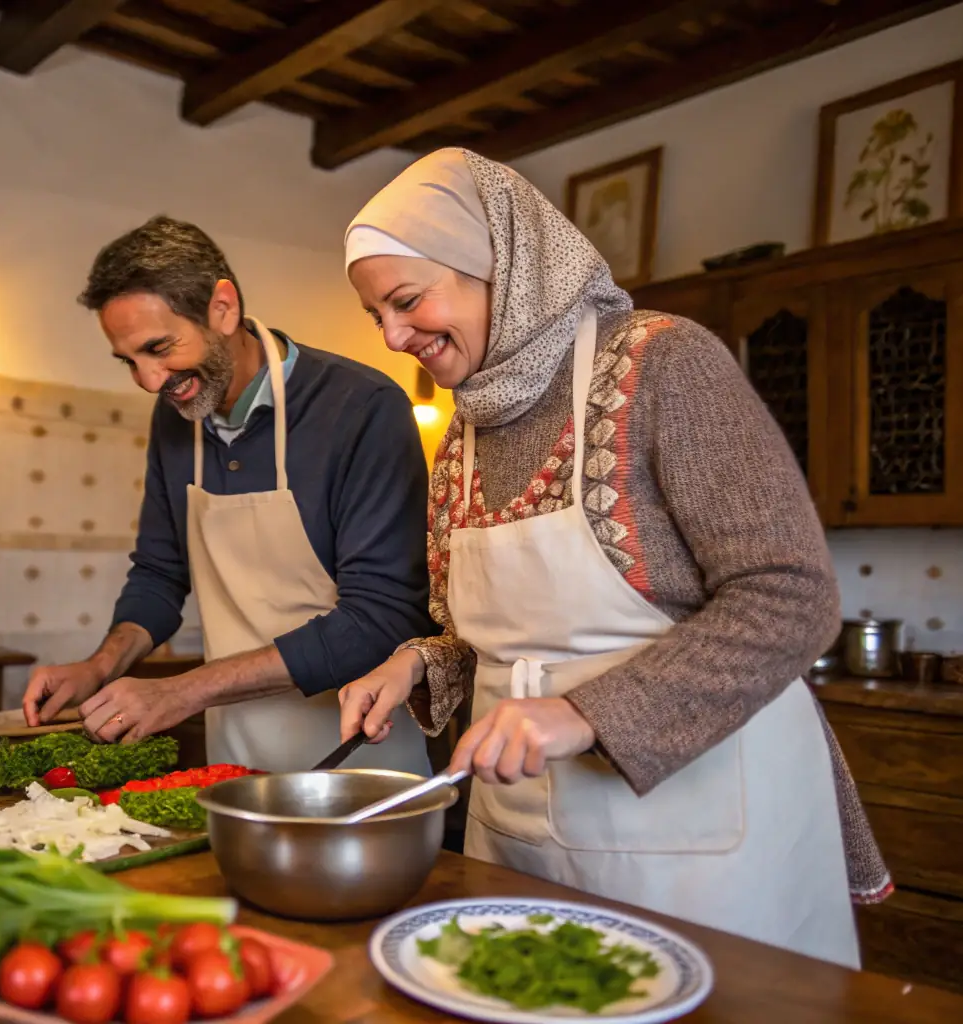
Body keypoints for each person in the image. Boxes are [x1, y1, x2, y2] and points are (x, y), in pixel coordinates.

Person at [336, 148, 890, 968]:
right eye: (375, 315)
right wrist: (418, 661)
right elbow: (506, 636)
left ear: (500, 261)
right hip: (520, 831)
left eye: (407, 301)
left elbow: (789, 597)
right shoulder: (463, 430)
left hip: (696, 834)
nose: (392, 336)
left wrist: (585, 713)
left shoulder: (665, 362)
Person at [22, 215, 434, 775]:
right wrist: (100, 667)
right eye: (131, 362)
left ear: (222, 307)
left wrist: (183, 691)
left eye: (160, 347)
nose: (149, 380)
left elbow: (380, 616)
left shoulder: (362, 409)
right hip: (235, 761)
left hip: (358, 761)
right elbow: (159, 574)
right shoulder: (177, 417)